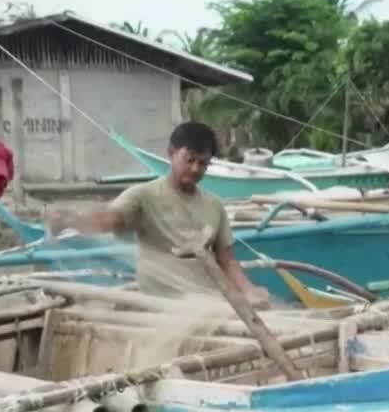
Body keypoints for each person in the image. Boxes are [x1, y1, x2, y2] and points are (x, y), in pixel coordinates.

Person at [47, 121, 271, 308]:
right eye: (189, 159)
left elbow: (227, 260)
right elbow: (110, 219)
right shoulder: (143, 196)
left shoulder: (214, 205)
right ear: (171, 154)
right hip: (162, 304)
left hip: (210, 301)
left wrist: (249, 291)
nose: (195, 168)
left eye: (202, 163)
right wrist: (72, 220)